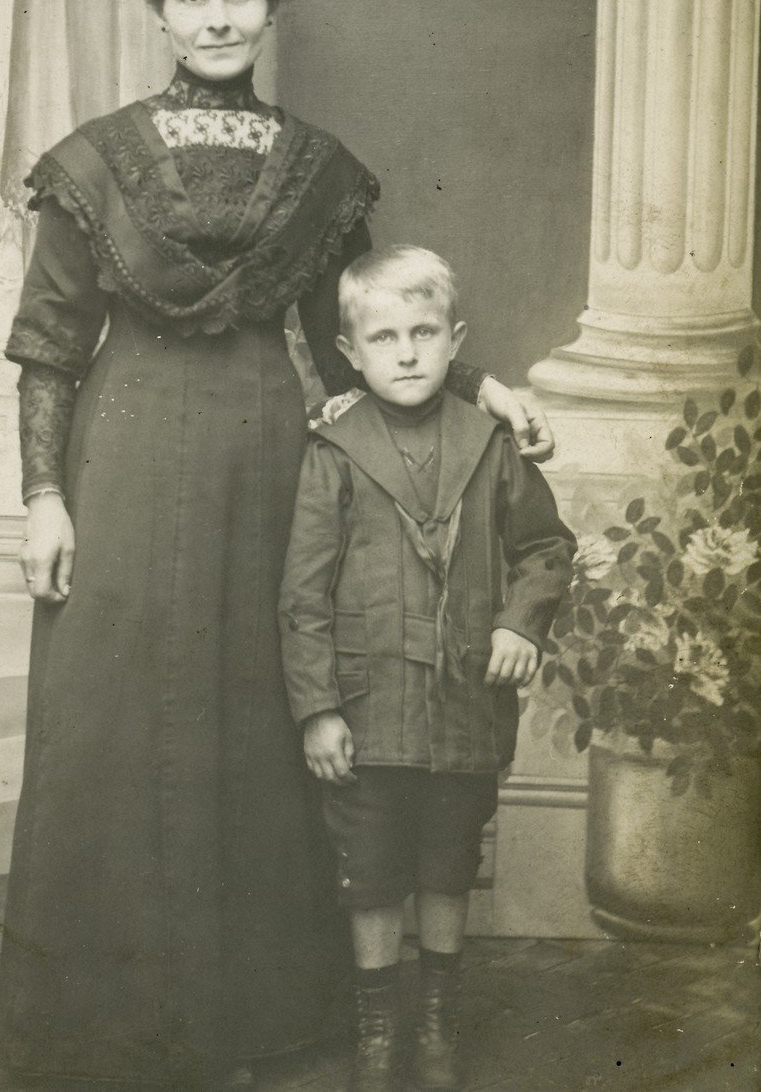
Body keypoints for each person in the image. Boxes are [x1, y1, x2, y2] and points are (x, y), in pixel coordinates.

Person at [0, 0, 557, 1091]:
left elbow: (365, 329)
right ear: (160, 11)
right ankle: (107, 1019)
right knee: (112, 718)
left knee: (263, 711)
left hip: (268, 468)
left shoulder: (318, 172)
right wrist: (43, 494)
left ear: (271, 8)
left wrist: (483, 387)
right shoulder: (91, 161)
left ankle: (256, 1012)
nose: (216, 18)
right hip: (121, 460)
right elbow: (48, 346)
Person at [278, 246, 575, 1092]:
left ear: (455, 341)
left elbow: (546, 548)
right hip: (366, 710)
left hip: (463, 705)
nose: (406, 354)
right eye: (384, 338)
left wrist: (520, 622)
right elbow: (301, 597)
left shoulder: (491, 444)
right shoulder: (332, 452)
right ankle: (378, 1027)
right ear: (349, 352)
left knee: (449, 860)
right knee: (370, 871)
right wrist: (316, 711)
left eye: (423, 333)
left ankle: (438, 1016)